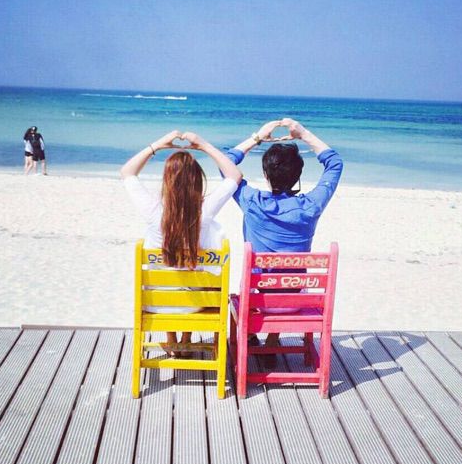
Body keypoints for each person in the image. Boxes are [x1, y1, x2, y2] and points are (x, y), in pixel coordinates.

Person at [226, 117, 343, 358]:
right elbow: (335, 164)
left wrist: (257, 137)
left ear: (266, 174)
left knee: (250, 280)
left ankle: (251, 336)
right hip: (294, 300)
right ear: (298, 174)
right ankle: (272, 340)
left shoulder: (253, 201)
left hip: (257, 301)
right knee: (283, 277)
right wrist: (303, 133)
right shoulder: (310, 206)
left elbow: (226, 164)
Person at [121, 130, 242, 357]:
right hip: (193, 303)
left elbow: (127, 172)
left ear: (167, 180)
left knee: (164, 271)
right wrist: (203, 145)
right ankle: (186, 339)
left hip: (157, 303)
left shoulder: (153, 210)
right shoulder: (204, 210)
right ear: (197, 180)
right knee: (204, 267)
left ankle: (172, 339)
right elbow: (234, 175)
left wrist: (158, 144)